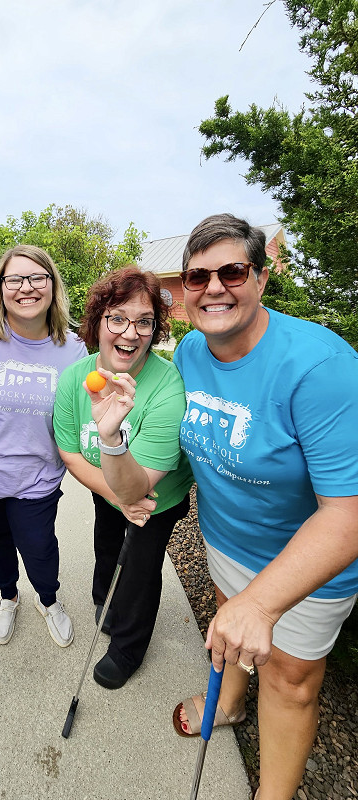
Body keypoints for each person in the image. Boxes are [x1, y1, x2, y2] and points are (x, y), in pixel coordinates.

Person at [165, 213, 358, 800]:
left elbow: (347, 514)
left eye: (233, 271)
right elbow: (184, 447)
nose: (214, 287)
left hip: (309, 564)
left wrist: (264, 601)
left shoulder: (322, 368)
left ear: (262, 278)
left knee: (292, 681)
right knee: (229, 628)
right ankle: (227, 704)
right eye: (198, 277)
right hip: (226, 537)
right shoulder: (191, 352)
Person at [53, 266, 193, 689]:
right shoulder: (76, 378)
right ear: (97, 323)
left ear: (155, 329)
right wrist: (116, 496)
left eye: (144, 322)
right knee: (106, 543)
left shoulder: (167, 388)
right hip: (110, 490)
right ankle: (104, 602)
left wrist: (111, 435)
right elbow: (70, 452)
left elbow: (139, 489)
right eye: (117, 318)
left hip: (155, 503)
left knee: (139, 571)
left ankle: (128, 647)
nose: (130, 333)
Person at [0, 244, 87, 648]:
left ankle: (49, 600)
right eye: (15, 279)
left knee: (40, 549)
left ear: (52, 285)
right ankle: (7, 598)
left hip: (37, 477)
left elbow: (80, 415)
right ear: (1, 286)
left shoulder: (72, 349)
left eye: (37, 277)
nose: (26, 287)